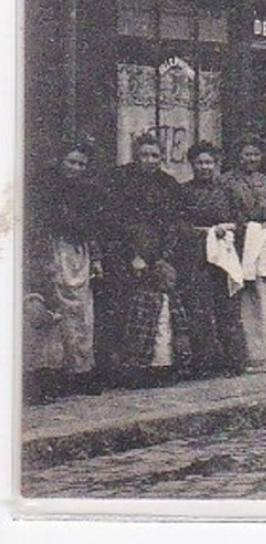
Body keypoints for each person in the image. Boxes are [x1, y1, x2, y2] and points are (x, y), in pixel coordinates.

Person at [106, 132, 193, 386]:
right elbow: (116, 221)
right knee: (131, 312)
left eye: (155, 155)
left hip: (160, 254)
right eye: (144, 155)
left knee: (161, 310)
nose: (150, 160)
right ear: (136, 156)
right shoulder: (121, 179)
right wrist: (133, 255)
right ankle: (130, 369)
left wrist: (166, 256)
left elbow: (175, 221)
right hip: (128, 255)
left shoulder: (168, 183)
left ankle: (161, 365)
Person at [22, 139, 106, 401]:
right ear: (61, 161)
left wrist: (96, 258)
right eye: (71, 162)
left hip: (78, 253)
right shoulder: (45, 188)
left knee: (81, 312)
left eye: (81, 164)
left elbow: (92, 228)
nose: (76, 168)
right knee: (55, 310)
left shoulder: (88, 192)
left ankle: (79, 371)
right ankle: (50, 375)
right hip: (52, 250)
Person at [178, 141, 247, 376]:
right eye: (199, 162)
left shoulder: (227, 190)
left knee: (227, 306)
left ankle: (233, 360)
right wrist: (204, 232)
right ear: (192, 165)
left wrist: (227, 227)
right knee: (200, 306)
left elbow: (241, 221)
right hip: (196, 254)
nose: (204, 167)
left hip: (224, 253)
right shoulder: (184, 191)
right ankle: (204, 362)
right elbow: (179, 224)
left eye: (208, 162)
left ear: (216, 164)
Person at [222, 133, 266, 371]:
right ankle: (248, 353)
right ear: (239, 156)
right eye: (247, 154)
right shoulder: (227, 181)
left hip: (264, 242)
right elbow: (224, 210)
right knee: (244, 297)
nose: (251, 158)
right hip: (240, 242)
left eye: (255, 154)